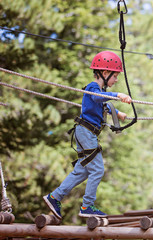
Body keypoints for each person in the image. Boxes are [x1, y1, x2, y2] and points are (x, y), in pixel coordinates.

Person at [43, 51, 131, 219]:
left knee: (81, 171)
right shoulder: (93, 87)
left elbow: (102, 106)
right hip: (86, 132)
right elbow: (98, 99)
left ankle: (55, 197)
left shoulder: (100, 91)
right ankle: (87, 205)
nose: (117, 80)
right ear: (105, 73)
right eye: (115, 76)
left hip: (85, 132)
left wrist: (118, 113)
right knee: (97, 169)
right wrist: (118, 95)